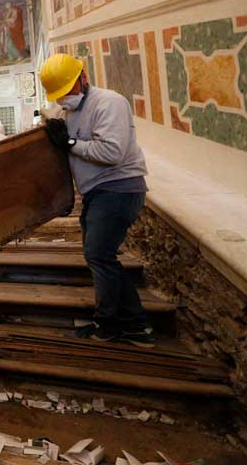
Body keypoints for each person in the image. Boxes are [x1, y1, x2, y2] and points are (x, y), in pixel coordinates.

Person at [39, 54, 152, 347]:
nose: (64, 99)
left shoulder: (109, 103)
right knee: (100, 256)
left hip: (119, 188)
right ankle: (136, 325)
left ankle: (109, 323)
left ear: (83, 78)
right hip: (97, 192)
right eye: (59, 95)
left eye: (67, 92)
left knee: (99, 255)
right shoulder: (69, 112)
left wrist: (70, 143)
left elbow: (112, 153)